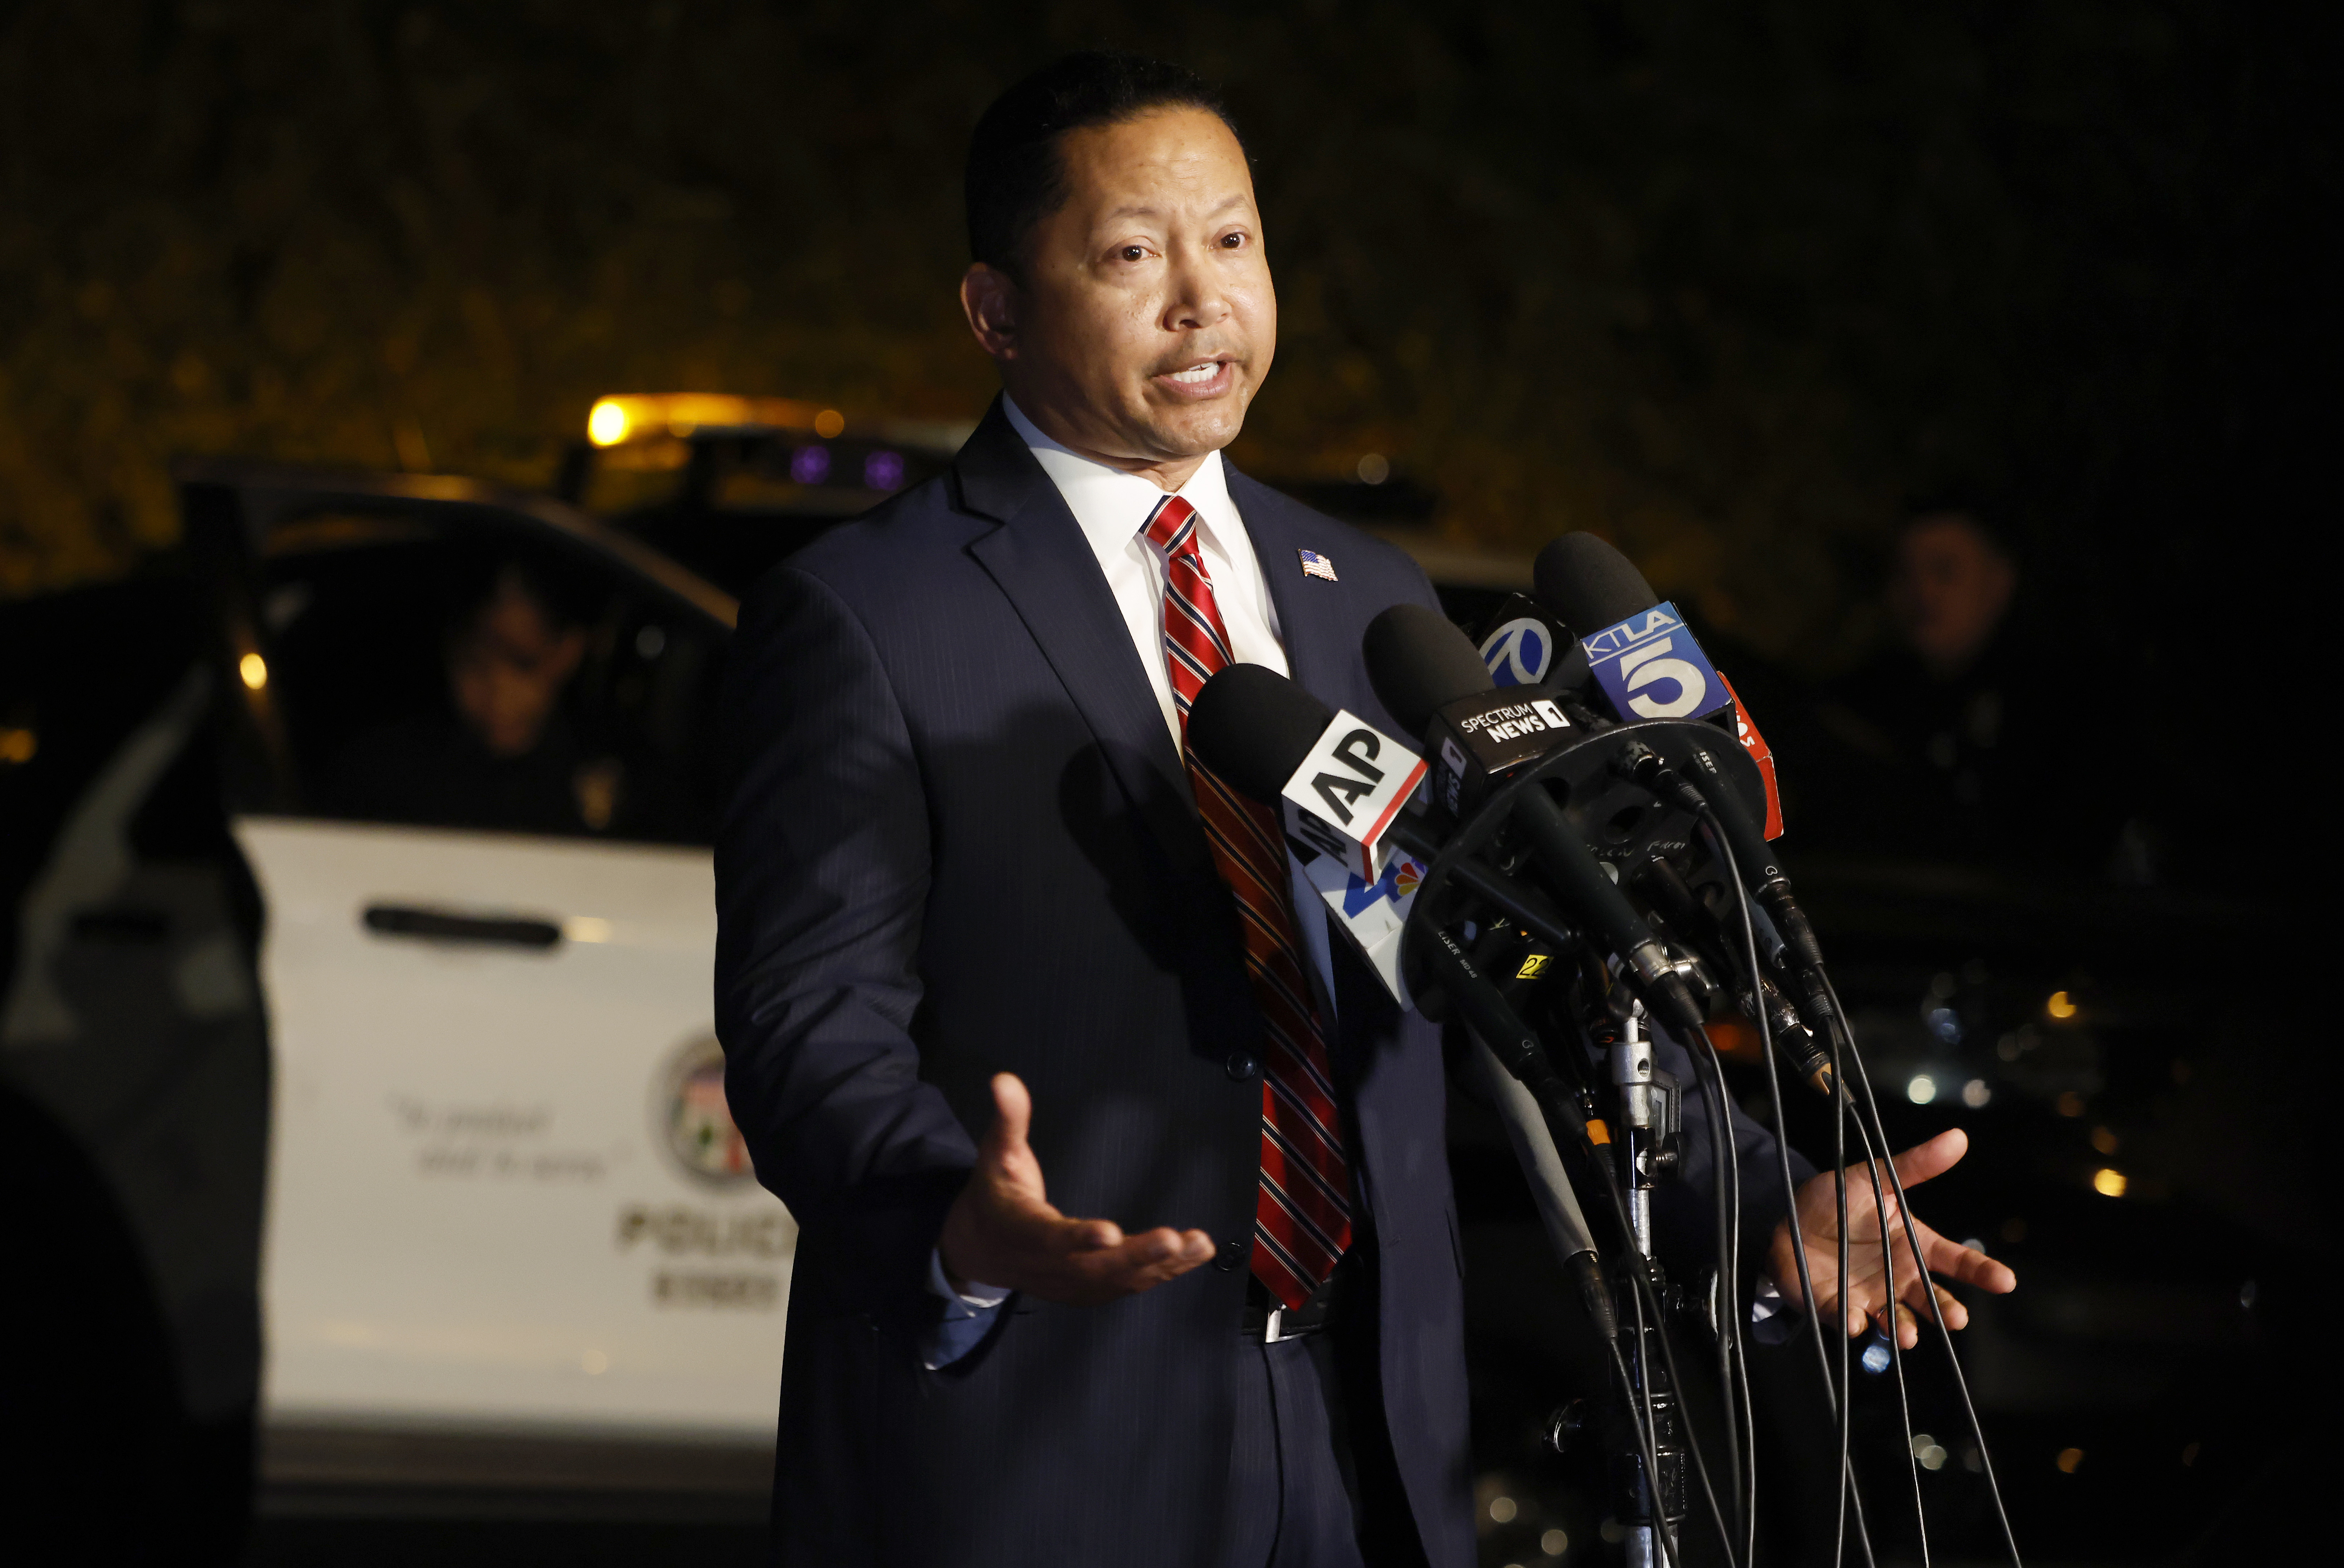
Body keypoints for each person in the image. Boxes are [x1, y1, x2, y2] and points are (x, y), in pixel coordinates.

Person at [716, 52, 2012, 1568]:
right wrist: (952, 1215)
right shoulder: (867, 613)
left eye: (1234, 239)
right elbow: (810, 1018)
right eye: (1134, 254)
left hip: (1359, 1430)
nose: (1202, 299)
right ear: (995, 311)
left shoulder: (1377, 605)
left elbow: (1515, 968)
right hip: (1041, 1426)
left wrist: (1762, 1194)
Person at [1803, 507, 2131, 873]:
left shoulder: (2064, 703)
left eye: (1944, 572)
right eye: (1904, 575)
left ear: (1999, 581)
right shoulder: (1868, 695)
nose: (1922, 593)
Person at [328, 552, 640, 836]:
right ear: (449, 651)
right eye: (473, 665)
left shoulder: (619, 770)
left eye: (523, 665)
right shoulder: (387, 774)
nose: (497, 692)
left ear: (567, 653)